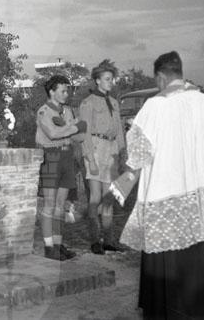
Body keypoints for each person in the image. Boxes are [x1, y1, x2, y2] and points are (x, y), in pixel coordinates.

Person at [107, 51, 204, 319]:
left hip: (166, 199)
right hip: (202, 199)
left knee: (168, 280)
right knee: (202, 265)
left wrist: (119, 188)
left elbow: (138, 156)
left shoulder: (155, 107)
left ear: (160, 77)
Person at [36, 75, 86, 260]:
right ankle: (48, 247)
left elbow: (80, 137)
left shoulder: (68, 111)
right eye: (63, 91)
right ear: (52, 91)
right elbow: (52, 133)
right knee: (49, 204)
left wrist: (74, 128)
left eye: (67, 90)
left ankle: (58, 245)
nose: (66, 94)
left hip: (67, 156)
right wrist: (74, 127)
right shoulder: (44, 112)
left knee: (60, 205)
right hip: (51, 156)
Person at [79, 60, 126, 254]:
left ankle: (109, 240)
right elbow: (84, 133)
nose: (110, 82)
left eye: (112, 79)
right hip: (96, 149)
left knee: (109, 199)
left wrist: (122, 153)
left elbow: (119, 130)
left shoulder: (114, 102)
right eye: (107, 79)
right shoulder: (88, 103)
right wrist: (90, 159)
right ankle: (94, 240)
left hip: (111, 150)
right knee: (95, 198)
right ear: (97, 81)